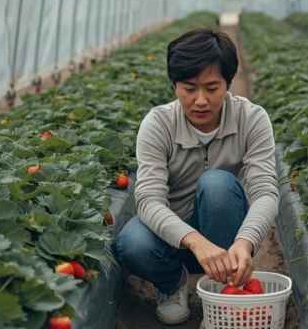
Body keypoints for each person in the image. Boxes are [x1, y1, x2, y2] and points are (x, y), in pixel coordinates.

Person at [112, 28, 280, 325]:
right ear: (174, 86)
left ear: (228, 83)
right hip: (175, 240)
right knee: (131, 242)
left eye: (212, 88)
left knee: (217, 183)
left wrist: (245, 242)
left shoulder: (252, 119)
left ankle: (228, 286)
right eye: (189, 89)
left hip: (225, 229)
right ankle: (172, 284)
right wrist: (194, 242)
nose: (200, 100)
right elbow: (149, 200)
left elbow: (266, 192)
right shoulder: (158, 124)